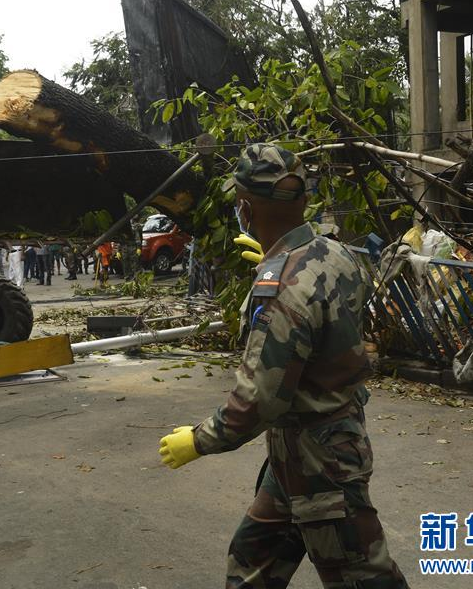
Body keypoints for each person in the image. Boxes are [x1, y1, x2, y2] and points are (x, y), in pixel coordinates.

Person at [158, 144, 408, 589]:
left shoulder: (283, 289)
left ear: (244, 208)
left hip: (321, 463)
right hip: (303, 452)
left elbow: (259, 400)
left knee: (365, 577)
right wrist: (277, 261)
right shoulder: (336, 253)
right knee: (252, 558)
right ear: (303, 200)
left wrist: (197, 441)